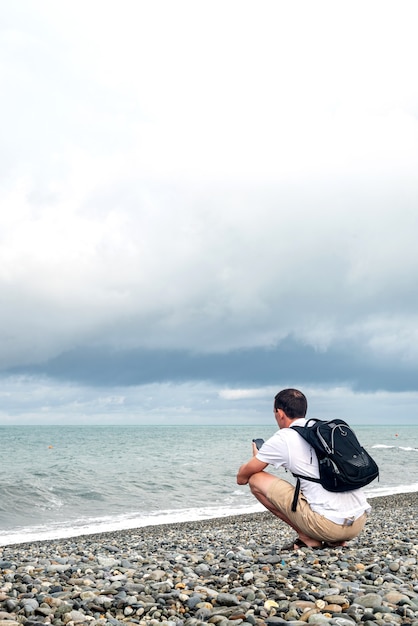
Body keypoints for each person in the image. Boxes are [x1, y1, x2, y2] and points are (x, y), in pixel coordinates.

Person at [236, 388, 371, 550]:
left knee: (256, 479)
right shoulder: (322, 430)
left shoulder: (284, 437)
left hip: (327, 526)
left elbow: (242, 478)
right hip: (358, 522)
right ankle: (334, 540)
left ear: (280, 413)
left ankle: (306, 537)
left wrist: (256, 457)